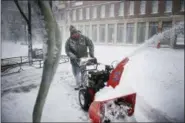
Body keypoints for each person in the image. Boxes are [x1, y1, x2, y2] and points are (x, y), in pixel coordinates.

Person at [65, 25, 95, 90]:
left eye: (75, 33)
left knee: (83, 72)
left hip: (83, 59)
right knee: (76, 73)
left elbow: (90, 44)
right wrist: (72, 56)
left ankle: (84, 84)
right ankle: (78, 84)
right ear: (71, 34)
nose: (74, 35)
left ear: (77, 32)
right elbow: (67, 50)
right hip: (74, 60)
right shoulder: (69, 41)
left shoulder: (83, 38)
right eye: (73, 34)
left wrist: (91, 53)